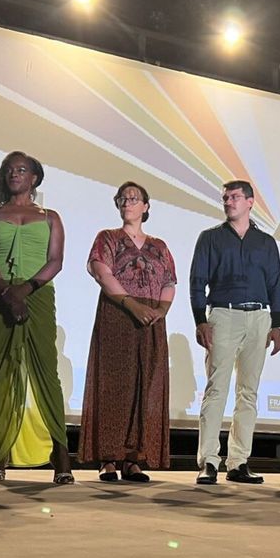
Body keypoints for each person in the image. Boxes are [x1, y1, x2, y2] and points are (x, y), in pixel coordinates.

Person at [0, 151, 73, 484]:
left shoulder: (50, 217)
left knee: (45, 370)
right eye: (9, 169)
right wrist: (6, 293)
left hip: (37, 295)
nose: (15, 174)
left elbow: (55, 260)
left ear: (34, 178)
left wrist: (25, 290)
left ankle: (61, 457)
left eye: (22, 169)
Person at [78, 182, 176, 482]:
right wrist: (132, 306)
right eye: (122, 198)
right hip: (118, 315)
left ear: (146, 206)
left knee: (146, 386)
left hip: (152, 319)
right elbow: (102, 272)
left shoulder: (159, 246)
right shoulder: (108, 238)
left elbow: (170, 281)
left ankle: (134, 459)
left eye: (134, 198)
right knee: (114, 385)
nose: (127, 202)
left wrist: (160, 312)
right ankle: (108, 458)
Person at [190, 180, 280, 485]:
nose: (228, 202)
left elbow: (275, 285)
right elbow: (196, 282)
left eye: (233, 197)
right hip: (222, 314)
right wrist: (200, 320)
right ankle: (208, 461)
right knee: (216, 387)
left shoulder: (266, 243)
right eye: (225, 198)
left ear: (249, 202)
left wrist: (278, 323)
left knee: (249, 392)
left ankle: (239, 461)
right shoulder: (210, 238)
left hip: (259, 317)